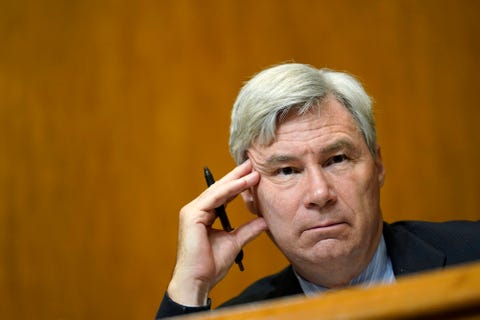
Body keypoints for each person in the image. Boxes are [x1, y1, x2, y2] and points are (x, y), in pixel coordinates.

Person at [155, 63, 480, 318]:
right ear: (249, 195)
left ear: (377, 166)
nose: (320, 193)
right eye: (286, 170)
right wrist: (191, 287)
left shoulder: (473, 257)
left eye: (337, 159)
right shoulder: (245, 317)